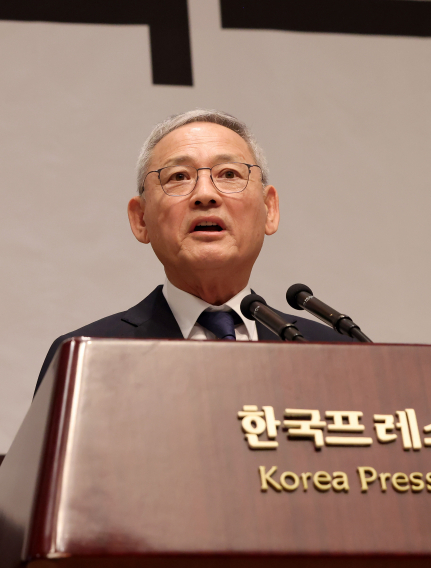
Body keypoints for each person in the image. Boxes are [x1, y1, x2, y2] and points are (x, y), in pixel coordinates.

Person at [37, 109, 350, 388]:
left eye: (229, 174)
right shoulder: (85, 359)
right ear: (140, 219)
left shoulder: (334, 353)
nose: (204, 194)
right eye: (179, 177)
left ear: (270, 209)